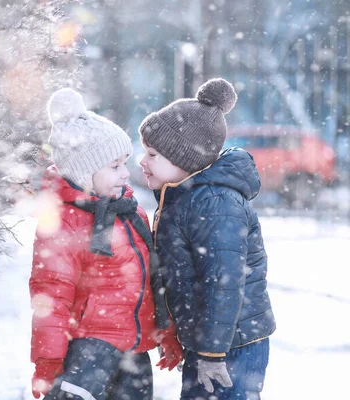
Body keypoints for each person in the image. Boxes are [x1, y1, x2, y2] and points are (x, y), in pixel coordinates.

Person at [29, 88, 183, 400]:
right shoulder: (64, 223)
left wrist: (166, 331)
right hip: (89, 351)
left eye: (125, 163)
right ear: (85, 174)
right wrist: (48, 360)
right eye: (114, 166)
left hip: (135, 351)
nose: (126, 174)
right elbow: (51, 294)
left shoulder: (129, 210)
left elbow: (154, 278)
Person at [137, 78, 276, 400]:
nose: (142, 161)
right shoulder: (182, 197)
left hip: (232, 345)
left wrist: (213, 353)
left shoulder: (214, 203)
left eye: (152, 154)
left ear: (184, 158)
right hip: (211, 341)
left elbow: (224, 284)